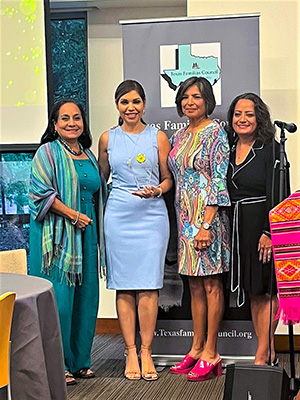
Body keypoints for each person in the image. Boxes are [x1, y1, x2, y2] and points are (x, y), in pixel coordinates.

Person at [98, 80, 173, 381]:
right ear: (117, 105)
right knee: (124, 285)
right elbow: (101, 178)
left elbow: (168, 179)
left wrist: (158, 190)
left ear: (144, 104)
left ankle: (146, 351)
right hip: (118, 215)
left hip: (152, 216)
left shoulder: (158, 136)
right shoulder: (107, 138)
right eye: (124, 102)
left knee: (149, 285)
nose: (131, 108)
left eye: (136, 102)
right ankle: (130, 350)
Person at [29, 98, 106, 386]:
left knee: (86, 297)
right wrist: (74, 215)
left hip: (86, 232)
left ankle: (80, 362)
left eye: (77, 117)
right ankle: (57, 364)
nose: (72, 123)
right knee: (60, 302)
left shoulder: (87, 154)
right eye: (65, 118)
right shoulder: (46, 153)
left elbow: (98, 191)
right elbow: (40, 194)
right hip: (58, 236)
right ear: (54, 124)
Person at [168, 77, 231, 381]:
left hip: (208, 220)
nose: (190, 102)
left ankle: (212, 352)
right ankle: (195, 349)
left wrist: (206, 224)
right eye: (185, 97)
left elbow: (219, 181)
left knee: (210, 285)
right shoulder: (180, 136)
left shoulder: (215, 132)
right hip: (184, 220)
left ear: (207, 101)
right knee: (193, 285)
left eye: (196, 96)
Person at [226, 92, 281, 365]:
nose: (243, 119)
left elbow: (278, 192)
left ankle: (264, 350)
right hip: (238, 228)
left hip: (262, 227)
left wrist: (268, 232)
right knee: (254, 290)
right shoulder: (228, 147)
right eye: (238, 114)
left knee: (268, 289)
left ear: (259, 117)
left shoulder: (271, 147)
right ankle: (265, 348)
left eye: (249, 114)